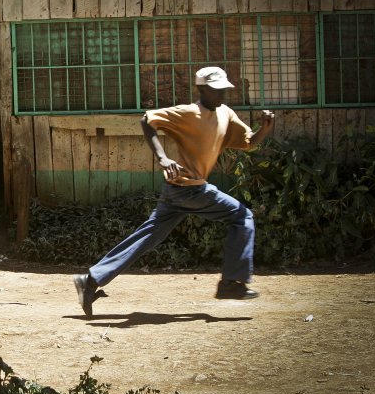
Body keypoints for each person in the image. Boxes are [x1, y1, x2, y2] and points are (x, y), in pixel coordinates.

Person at [73, 66, 275, 315]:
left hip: (177, 191)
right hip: (190, 189)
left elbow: (248, 142)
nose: (222, 94)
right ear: (201, 89)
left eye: (224, 89)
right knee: (242, 216)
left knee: (147, 238)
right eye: (216, 89)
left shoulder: (226, 114)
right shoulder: (188, 113)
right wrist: (162, 158)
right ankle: (231, 284)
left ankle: (90, 280)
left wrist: (265, 128)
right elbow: (147, 120)